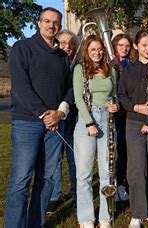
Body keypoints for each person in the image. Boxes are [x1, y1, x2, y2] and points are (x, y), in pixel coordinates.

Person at [6, 7, 73, 227]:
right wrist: (44, 114)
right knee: (21, 181)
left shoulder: (62, 56)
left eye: (56, 22)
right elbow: (21, 87)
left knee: (47, 178)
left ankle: (36, 223)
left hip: (55, 124)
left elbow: (70, 88)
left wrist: (61, 111)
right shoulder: (22, 48)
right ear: (38, 23)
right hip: (27, 122)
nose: (51, 25)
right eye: (47, 21)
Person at [118, 30, 148, 227]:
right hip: (133, 123)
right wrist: (135, 107)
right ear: (136, 46)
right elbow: (122, 96)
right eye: (144, 45)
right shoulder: (128, 70)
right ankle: (137, 213)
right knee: (136, 169)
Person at [72, 35, 119, 228]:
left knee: (108, 171)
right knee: (84, 174)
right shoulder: (80, 69)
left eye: (100, 49)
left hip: (107, 120)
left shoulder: (111, 69)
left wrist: (116, 104)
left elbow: (114, 94)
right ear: (86, 50)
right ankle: (86, 218)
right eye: (93, 49)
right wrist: (90, 123)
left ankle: (105, 217)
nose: (97, 53)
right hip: (87, 120)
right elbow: (78, 99)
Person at [48, 29, 80, 215]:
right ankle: (54, 196)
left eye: (71, 44)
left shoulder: (79, 65)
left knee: (75, 159)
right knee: (54, 159)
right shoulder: (51, 63)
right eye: (63, 43)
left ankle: (78, 195)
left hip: (75, 118)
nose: (67, 47)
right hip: (56, 116)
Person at [111, 33, 133, 202]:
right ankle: (111, 184)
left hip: (128, 113)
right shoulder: (110, 64)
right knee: (111, 151)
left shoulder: (131, 65)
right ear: (115, 46)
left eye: (127, 46)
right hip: (113, 112)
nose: (124, 49)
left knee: (125, 150)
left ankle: (122, 184)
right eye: (121, 45)